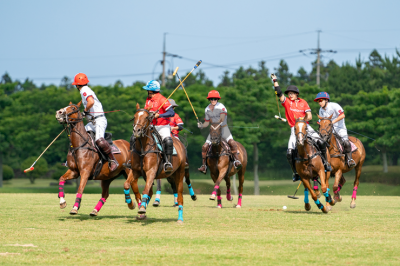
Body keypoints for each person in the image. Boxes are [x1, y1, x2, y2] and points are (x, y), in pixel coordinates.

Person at [270, 74, 331, 182]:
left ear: (297, 94)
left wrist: (304, 118)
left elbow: (310, 116)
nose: (290, 95)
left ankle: (325, 164)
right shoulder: (287, 103)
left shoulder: (303, 103)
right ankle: (295, 173)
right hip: (294, 129)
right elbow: (279, 93)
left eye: (292, 93)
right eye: (289, 93)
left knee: (321, 142)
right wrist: (275, 80)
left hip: (306, 126)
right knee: (289, 152)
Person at [72, 73, 118, 171]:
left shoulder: (84, 90)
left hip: (99, 120)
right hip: (92, 122)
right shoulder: (85, 90)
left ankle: (112, 160)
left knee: (99, 140)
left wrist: (85, 111)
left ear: (77, 85)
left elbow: (91, 102)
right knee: (79, 135)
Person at [197, 90, 242, 174]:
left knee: (232, 143)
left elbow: (222, 118)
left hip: (223, 128)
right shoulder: (207, 109)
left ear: (217, 99)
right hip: (214, 130)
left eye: (215, 99)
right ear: (209, 99)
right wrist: (202, 125)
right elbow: (207, 122)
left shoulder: (221, 106)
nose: (213, 100)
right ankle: (204, 166)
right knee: (204, 147)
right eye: (211, 99)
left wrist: (215, 123)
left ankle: (236, 161)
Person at [315, 92, 356, 167]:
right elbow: (320, 121)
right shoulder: (321, 110)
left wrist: (331, 122)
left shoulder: (334, 105)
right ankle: (323, 162)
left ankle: (350, 159)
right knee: (319, 142)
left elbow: (342, 115)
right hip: (329, 131)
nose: (319, 103)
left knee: (346, 142)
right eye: (318, 101)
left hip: (340, 129)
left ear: (326, 100)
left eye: (321, 100)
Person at [143, 80, 175, 173]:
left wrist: (159, 115)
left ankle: (168, 162)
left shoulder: (162, 99)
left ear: (151, 91)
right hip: (150, 125)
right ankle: (132, 160)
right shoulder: (148, 99)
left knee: (167, 140)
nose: (147, 92)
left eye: (148, 90)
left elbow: (171, 113)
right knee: (136, 136)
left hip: (162, 126)